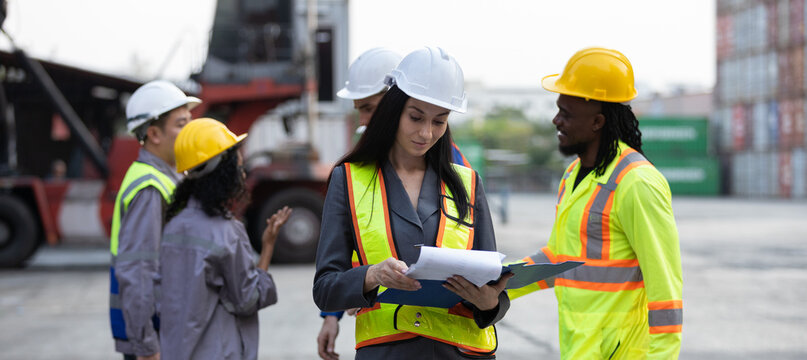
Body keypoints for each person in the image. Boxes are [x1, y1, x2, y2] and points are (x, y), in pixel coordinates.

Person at [313, 46, 512, 359]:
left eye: (440, 121)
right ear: (394, 111)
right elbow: (325, 290)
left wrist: (490, 303)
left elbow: (493, 289)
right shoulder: (349, 180)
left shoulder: (468, 184)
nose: (426, 133)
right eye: (416, 117)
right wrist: (372, 275)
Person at [510, 47, 683, 359]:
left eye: (566, 113)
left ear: (598, 122)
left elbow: (665, 286)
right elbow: (558, 258)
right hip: (579, 347)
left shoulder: (637, 183)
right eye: (558, 109)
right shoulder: (573, 175)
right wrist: (499, 282)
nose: (555, 120)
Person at [158, 118, 291, 359]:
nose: (241, 175)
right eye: (239, 168)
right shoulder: (226, 232)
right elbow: (248, 300)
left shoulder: (173, 227)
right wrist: (268, 246)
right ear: (223, 174)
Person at [109, 80, 200, 360]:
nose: (190, 131)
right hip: (156, 337)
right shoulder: (150, 188)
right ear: (154, 134)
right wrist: (147, 347)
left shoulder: (169, 178)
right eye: (181, 124)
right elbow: (138, 269)